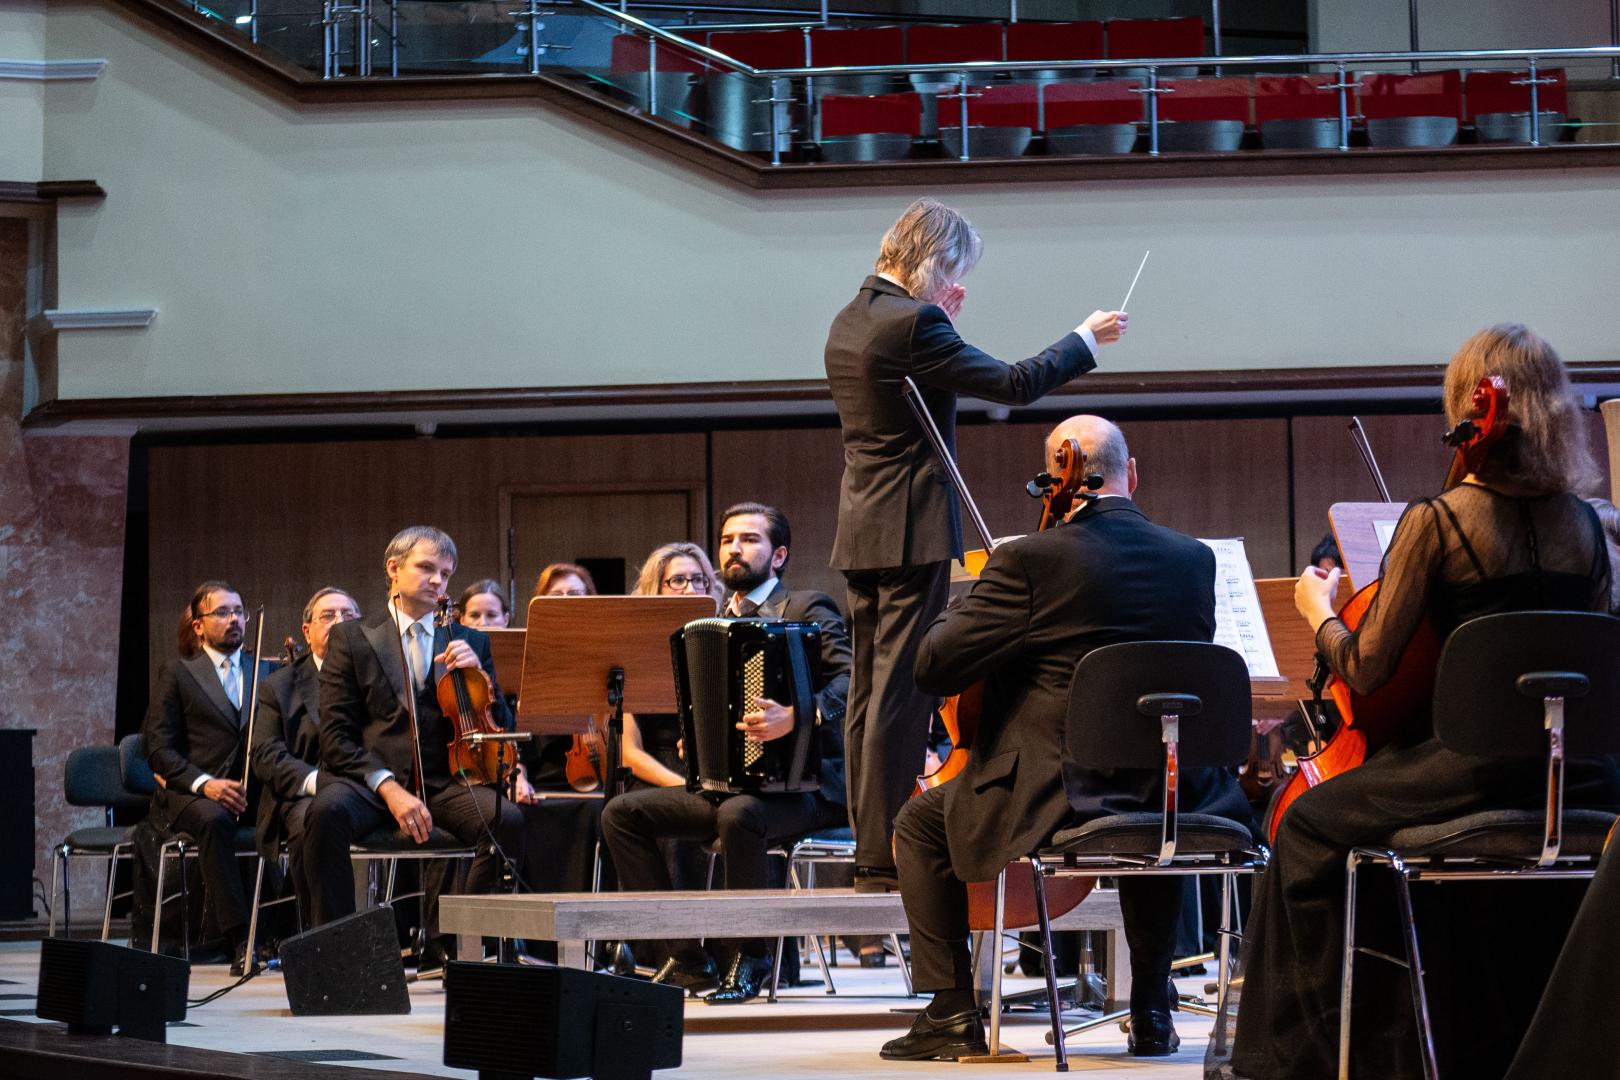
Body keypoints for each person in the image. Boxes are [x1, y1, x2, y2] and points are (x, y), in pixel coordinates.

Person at [1229, 325, 1620, 1080]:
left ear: (1471, 407)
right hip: (1584, 777)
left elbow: (1369, 669)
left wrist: (1319, 613)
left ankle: (1298, 1061)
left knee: (1304, 825)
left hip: (1469, 771)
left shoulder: (1438, 524)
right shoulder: (1590, 527)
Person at [880, 415, 1248, 1062]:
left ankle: (950, 1013)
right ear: (1133, 475)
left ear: (1057, 479)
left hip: (1062, 796)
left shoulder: (1030, 559)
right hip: (1182, 791)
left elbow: (934, 665)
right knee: (1151, 781)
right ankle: (1152, 1009)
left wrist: (970, 602)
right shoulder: (1193, 560)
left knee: (917, 823)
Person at [825, 197, 1127, 889]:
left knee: (868, 695)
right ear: (933, 260)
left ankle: (868, 845)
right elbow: (1014, 383)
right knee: (902, 692)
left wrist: (936, 318)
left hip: (862, 526)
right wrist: (1083, 339)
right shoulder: (916, 323)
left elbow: (908, 378)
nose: (957, 284)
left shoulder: (852, 318)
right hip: (910, 527)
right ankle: (882, 856)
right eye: (955, 270)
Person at [601, 503, 852, 1004]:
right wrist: (698, 740)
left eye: (750, 539)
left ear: (778, 555)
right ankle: (685, 956)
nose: (734, 548)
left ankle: (752, 955)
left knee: (740, 816)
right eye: (727, 540)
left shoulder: (806, 607)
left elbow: (852, 681)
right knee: (621, 814)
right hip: (731, 789)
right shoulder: (714, 622)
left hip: (807, 788)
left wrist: (797, 716)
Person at [305, 526, 526, 970]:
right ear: (393, 569)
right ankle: (338, 958)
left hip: (444, 782)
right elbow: (336, 738)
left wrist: (481, 676)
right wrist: (388, 787)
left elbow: (501, 728)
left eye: (445, 573)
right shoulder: (352, 638)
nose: (437, 581)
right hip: (370, 784)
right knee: (325, 814)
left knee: (507, 820)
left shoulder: (471, 640)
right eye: (426, 568)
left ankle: (466, 947)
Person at [143, 580, 271, 974]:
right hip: (193, 794)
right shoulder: (178, 673)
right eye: (222, 612)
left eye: (239, 611)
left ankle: (292, 932)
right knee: (215, 821)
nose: (234, 619)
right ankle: (240, 939)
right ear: (198, 625)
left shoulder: (265, 670)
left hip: (250, 790)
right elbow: (158, 749)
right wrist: (205, 784)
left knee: (303, 817)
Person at [251, 586, 361, 927]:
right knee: (311, 824)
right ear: (307, 631)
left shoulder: (378, 676)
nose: (339, 621)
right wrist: (315, 781)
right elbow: (265, 753)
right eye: (328, 615)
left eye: (348, 615)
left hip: (365, 792)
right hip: (303, 794)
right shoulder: (279, 685)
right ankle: (326, 936)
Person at [621, 542, 722, 790]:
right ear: (656, 590)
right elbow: (628, 753)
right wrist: (683, 786)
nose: (691, 590)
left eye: (698, 580)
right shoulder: (634, 653)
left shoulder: (723, 644)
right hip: (651, 778)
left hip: (715, 777)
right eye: (678, 581)